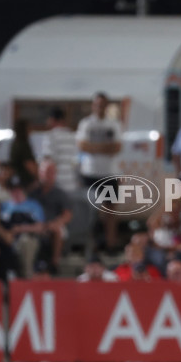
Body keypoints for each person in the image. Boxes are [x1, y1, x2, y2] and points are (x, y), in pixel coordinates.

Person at [76, 92, 122, 251]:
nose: (99, 107)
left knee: (110, 213)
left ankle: (111, 245)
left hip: (109, 174)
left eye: (102, 104)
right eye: (97, 104)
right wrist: (104, 148)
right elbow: (82, 146)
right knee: (88, 213)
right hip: (89, 174)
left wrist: (93, 148)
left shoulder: (114, 124)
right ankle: (90, 246)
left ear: (106, 106)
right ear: (93, 105)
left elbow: (116, 148)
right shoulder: (86, 124)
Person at [41, 107, 79, 193]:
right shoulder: (73, 136)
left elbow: (48, 163)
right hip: (72, 182)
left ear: (52, 119)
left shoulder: (50, 136)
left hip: (56, 184)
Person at [9, 119, 39, 190]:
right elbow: (29, 165)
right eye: (29, 128)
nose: (31, 130)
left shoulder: (15, 144)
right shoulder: (23, 145)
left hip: (17, 180)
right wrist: (39, 178)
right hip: (26, 183)